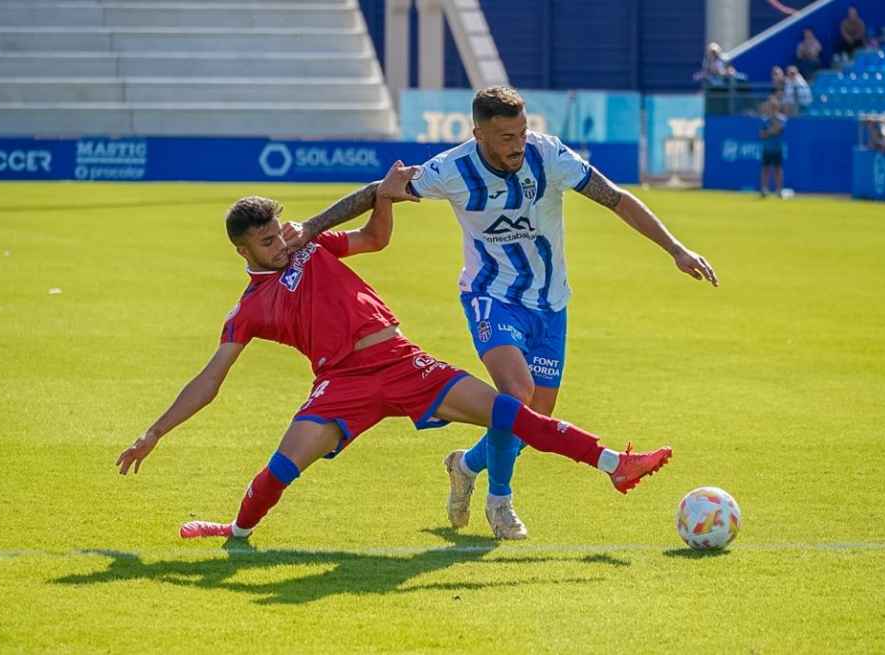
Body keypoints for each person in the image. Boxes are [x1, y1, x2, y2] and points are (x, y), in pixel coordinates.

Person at [115, 163, 674, 541]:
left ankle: (614, 465)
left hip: (405, 363)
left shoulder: (310, 246)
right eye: (268, 243)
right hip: (342, 386)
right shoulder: (249, 309)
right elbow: (211, 379)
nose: (284, 244)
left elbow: (374, 239)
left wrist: (384, 198)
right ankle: (234, 532)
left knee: (514, 413)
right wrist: (154, 433)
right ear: (243, 250)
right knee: (282, 468)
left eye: (282, 232)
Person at [363, 87, 715, 540]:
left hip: (551, 303)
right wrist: (311, 229)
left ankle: (465, 465)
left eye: (522, 132)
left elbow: (616, 198)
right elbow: (378, 191)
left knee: (535, 415)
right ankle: (500, 503)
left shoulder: (549, 156)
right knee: (515, 392)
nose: (517, 144)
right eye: (506, 136)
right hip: (491, 296)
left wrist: (676, 249)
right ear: (479, 135)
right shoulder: (450, 169)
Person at [760, 97, 786, 198]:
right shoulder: (765, 120)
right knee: (765, 169)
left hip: (777, 148)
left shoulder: (782, 119)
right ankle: (764, 189)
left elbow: (778, 130)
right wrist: (771, 131)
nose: (771, 109)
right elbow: (762, 134)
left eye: (773, 107)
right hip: (767, 148)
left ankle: (779, 190)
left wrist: (769, 131)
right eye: (770, 107)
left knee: (778, 170)